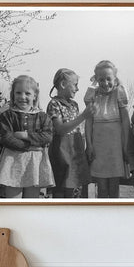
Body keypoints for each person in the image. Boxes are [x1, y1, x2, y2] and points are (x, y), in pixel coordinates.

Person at [0, 75, 54, 198]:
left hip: (35, 162)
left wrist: (25, 135)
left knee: (32, 199)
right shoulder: (8, 115)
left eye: (27, 93)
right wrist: (30, 146)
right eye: (18, 93)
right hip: (13, 160)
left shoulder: (42, 116)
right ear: (13, 94)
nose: (22, 97)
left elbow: (47, 136)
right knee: (13, 198)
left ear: (35, 95)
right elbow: (6, 138)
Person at [84, 60, 129, 198]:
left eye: (108, 79)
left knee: (114, 186)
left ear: (114, 78)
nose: (105, 83)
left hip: (115, 147)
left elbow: (126, 122)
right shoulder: (93, 95)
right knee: (101, 187)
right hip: (99, 147)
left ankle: (114, 214)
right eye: (101, 79)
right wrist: (89, 145)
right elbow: (88, 122)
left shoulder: (119, 93)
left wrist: (126, 146)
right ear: (96, 79)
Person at [46, 68, 95, 198]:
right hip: (62, 152)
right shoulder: (54, 104)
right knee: (60, 189)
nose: (77, 89)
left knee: (74, 189)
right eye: (75, 84)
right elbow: (60, 129)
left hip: (76, 150)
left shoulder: (74, 105)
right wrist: (83, 116)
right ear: (63, 84)